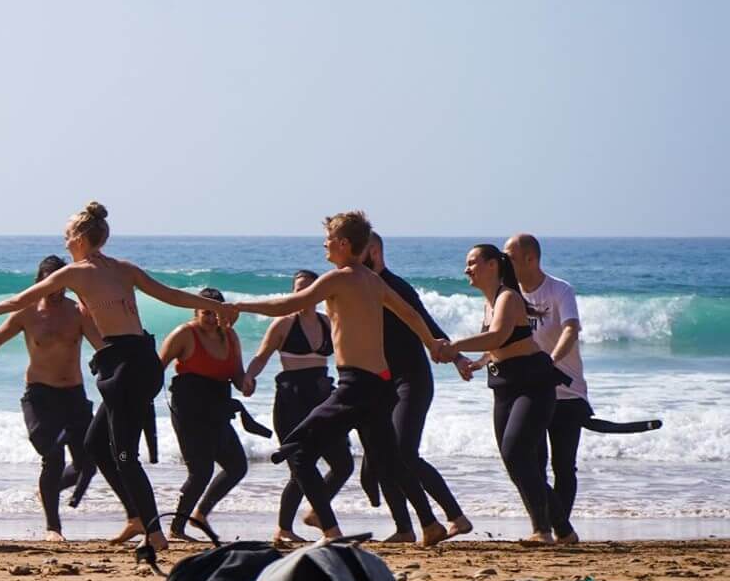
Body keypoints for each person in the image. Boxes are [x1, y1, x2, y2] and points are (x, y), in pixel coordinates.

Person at [0, 202, 244, 553]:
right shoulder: (124, 268)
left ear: (80, 239)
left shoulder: (75, 273)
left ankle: (154, 532)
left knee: (124, 454)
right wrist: (219, 307)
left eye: (67, 236)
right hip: (138, 359)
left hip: (125, 366)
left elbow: (21, 299)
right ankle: (139, 519)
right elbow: (171, 295)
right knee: (98, 445)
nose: (65, 243)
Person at [223, 211, 472, 546]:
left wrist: (240, 304)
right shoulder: (374, 281)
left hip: (354, 385)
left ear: (342, 243)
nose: (324, 245)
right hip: (380, 385)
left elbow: (291, 303)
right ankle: (429, 524)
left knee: (296, 450)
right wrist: (432, 344)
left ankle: (331, 531)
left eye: (328, 239)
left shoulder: (337, 278)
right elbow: (412, 314)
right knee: (391, 460)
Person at [503, 234, 661, 544]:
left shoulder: (559, 290)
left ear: (530, 259)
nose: (504, 260)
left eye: (509, 256)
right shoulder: (510, 296)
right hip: (532, 393)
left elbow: (570, 329)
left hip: (567, 392)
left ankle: (560, 528)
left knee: (563, 465)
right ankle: (547, 526)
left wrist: (551, 361)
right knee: (531, 464)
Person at [0, 254, 101, 540]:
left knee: (86, 464)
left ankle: (46, 491)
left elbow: (101, 346)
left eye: (62, 285)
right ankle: (53, 528)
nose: (57, 292)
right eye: (50, 285)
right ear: (39, 283)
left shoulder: (78, 312)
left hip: (74, 396)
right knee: (52, 457)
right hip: (40, 397)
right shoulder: (28, 312)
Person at [440, 244, 567, 544]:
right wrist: (478, 362)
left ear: (493, 265)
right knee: (517, 462)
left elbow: (497, 335)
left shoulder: (508, 297)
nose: (466, 269)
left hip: (533, 385)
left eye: (472, 263)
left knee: (516, 454)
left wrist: (454, 346)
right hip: (504, 389)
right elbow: (500, 346)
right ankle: (564, 530)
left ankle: (542, 531)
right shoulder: (490, 303)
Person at [363, 234, 475, 542]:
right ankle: (404, 528)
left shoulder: (395, 286)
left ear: (373, 251)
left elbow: (425, 322)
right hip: (382, 384)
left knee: (403, 453)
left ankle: (455, 517)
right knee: (384, 455)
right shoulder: (362, 287)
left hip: (411, 381)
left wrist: (458, 358)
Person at [243, 269, 357, 543]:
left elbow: (348, 354)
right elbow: (261, 357)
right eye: (298, 288)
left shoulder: (327, 322)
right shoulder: (283, 324)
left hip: (323, 397)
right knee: (300, 466)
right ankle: (302, 527)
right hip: (291, 399)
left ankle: (312, 515)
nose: (302, 293)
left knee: (342, 464)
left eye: (308, 288)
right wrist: (248, 377)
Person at [157, 288, 258, 540]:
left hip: (217, 409)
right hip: (188, 409)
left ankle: (200, 514)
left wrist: (246, 382)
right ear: (195, 312)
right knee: (200, 471)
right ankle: (177, 528)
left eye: (216, 313)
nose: (212, 318)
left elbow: (236, 375)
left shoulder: (230, 336)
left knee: (236, 466)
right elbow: (157, 366)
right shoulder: (185, 334)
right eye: (206, 313)